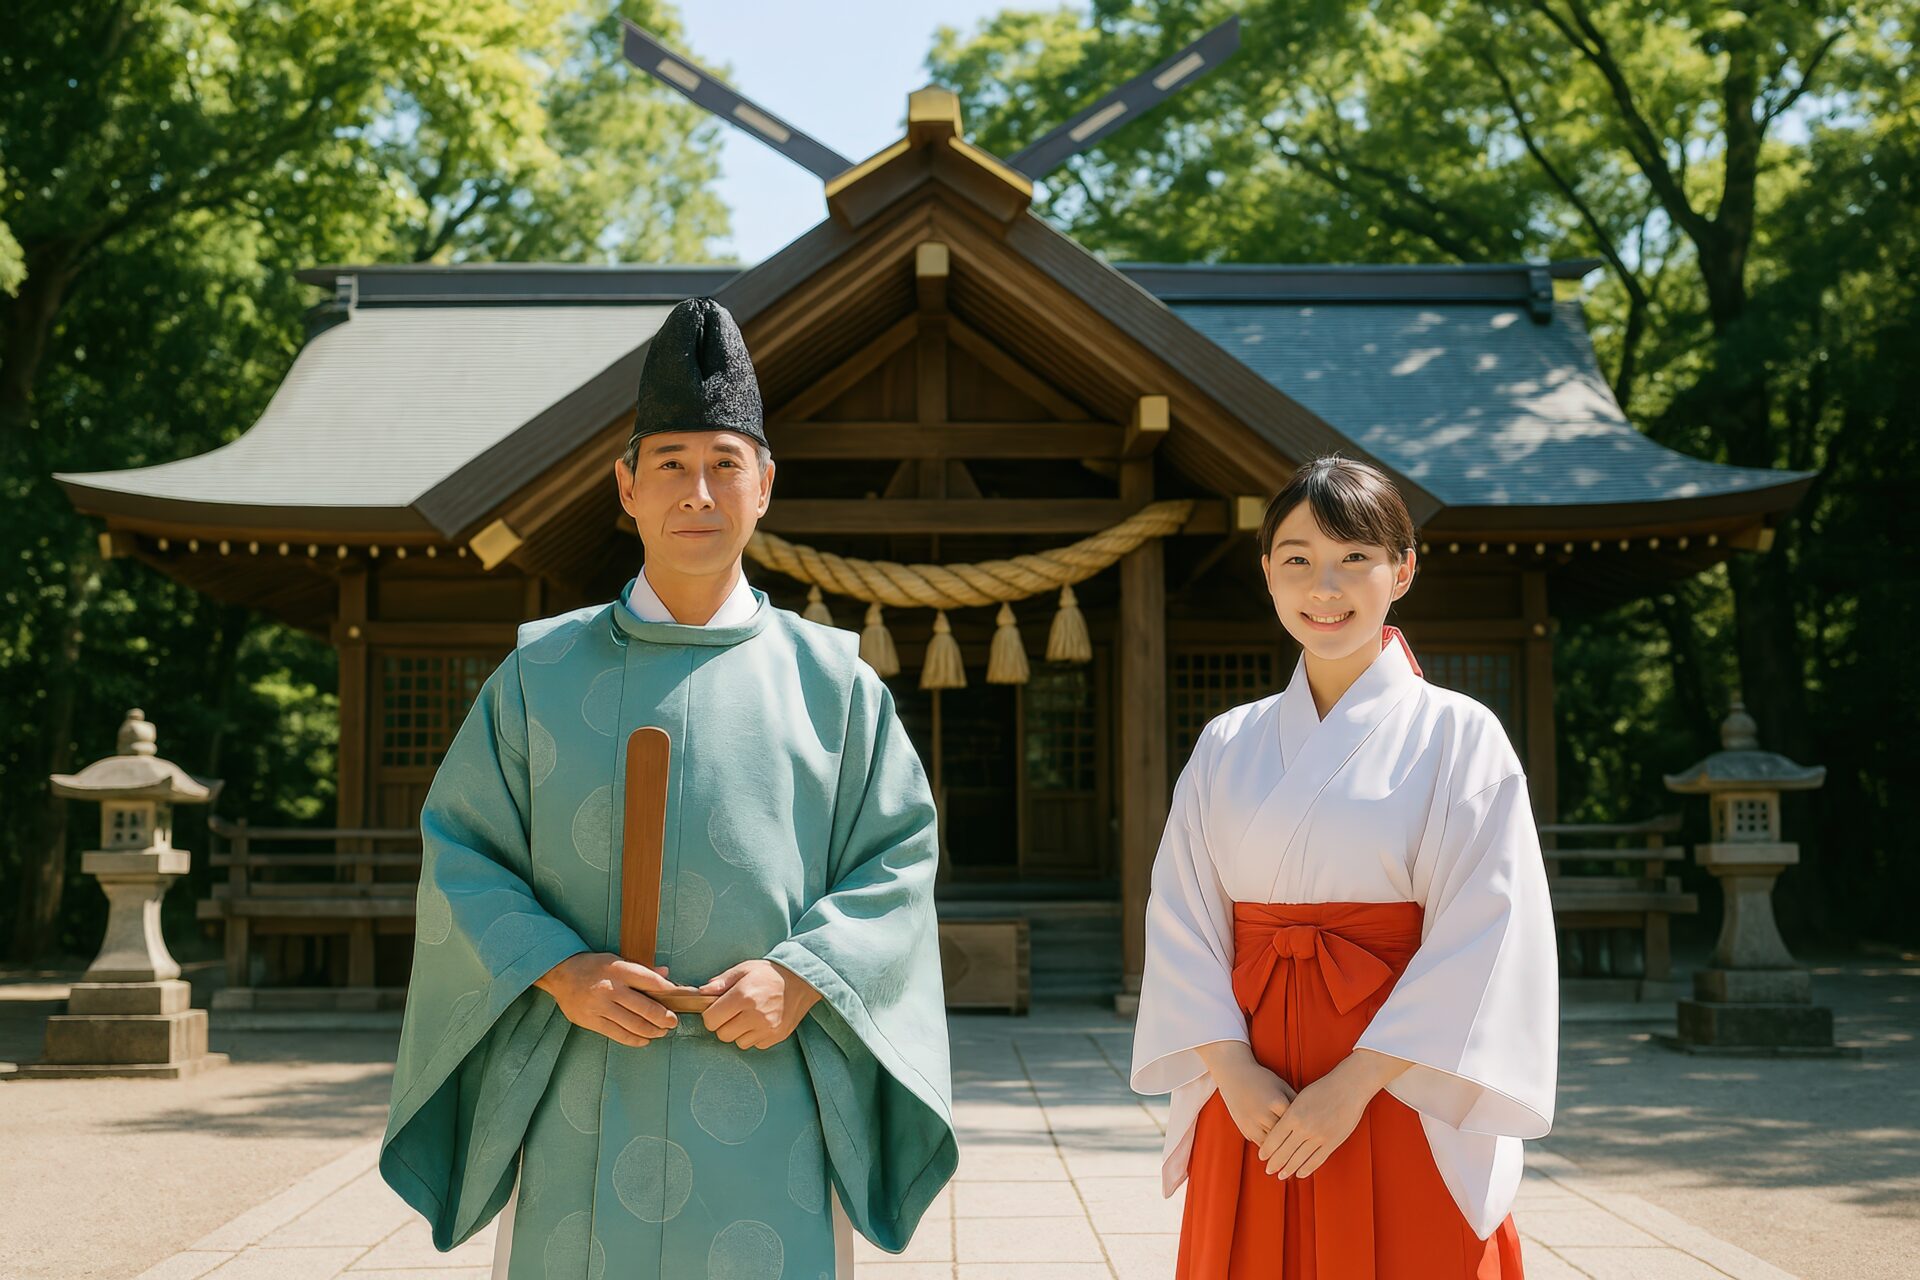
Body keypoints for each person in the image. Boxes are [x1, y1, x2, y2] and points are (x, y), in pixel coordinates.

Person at [380, 296, 958, 1280]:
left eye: (725, 464)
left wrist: (803, 975)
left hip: (772, 1072)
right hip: (581, 1075)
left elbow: (898, 859)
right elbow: (463, 848)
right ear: (627, 486)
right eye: (672, 465)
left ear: (765, 485)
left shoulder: (836, 684)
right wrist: (562, 969)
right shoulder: (539, 672)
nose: (699, 490)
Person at [1130, 455, 1558, 1278]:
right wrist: (1230, 1068)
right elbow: (1181, 916)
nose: (1325, 586)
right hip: (1251, 1083)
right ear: (1267, 574)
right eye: (1298, 560)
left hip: (1397, 1078)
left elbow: (1487, 933)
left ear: (1403, 569)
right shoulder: (1228, 743)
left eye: (1354, 558)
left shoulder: (1462, 736)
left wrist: (1354, 1085)